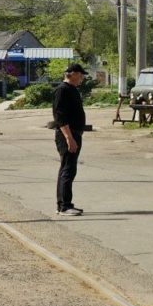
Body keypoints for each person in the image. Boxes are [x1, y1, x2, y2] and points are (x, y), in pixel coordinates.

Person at [53, 63, 89, 216]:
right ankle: (64, 206)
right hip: (68, 135)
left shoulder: (72, 90)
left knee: (68, 169)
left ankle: (64, 204)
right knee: (68, 170)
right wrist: (69, 138)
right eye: (80, 75)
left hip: (74, 134)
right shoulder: (62, 90)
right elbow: (60, 116)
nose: (82, 78)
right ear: (72, 74)